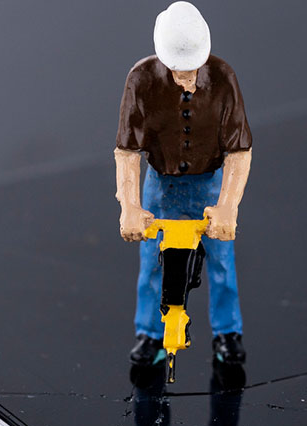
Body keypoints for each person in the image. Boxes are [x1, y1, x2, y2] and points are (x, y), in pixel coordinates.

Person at [114, 1, 252, 366]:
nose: (186, 79)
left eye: (193, 71)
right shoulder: (141, 80)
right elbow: (127, 152)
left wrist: (228, 206)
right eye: (179, 71)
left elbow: (240, 151)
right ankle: (149, 333)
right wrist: (130, 207)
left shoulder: (223, 78)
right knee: (152, 263)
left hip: (210, 185)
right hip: (161, 188)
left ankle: (227, 332)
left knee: (221, 262)